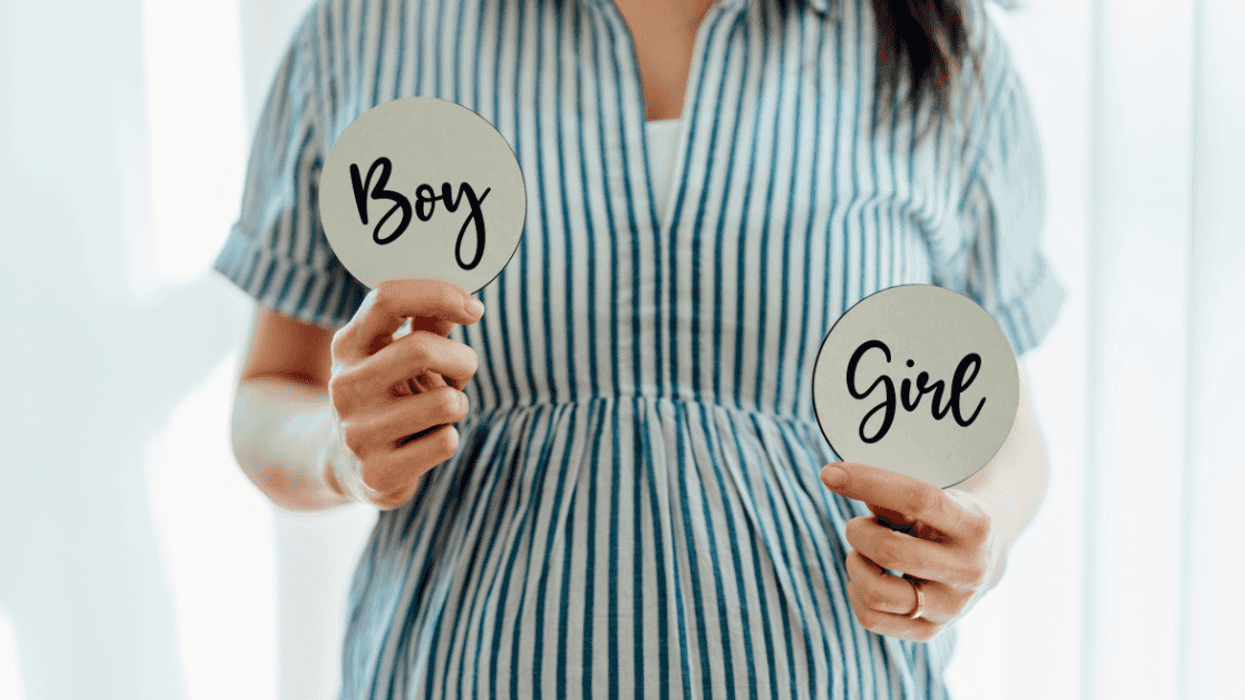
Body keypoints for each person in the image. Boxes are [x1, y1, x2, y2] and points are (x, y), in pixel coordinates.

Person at [216, 0, 1064, 695]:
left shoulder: (941, 49)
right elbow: (268, 391)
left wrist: (978, 539)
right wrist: (341, 451)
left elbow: (1006, 427)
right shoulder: (369, 28)